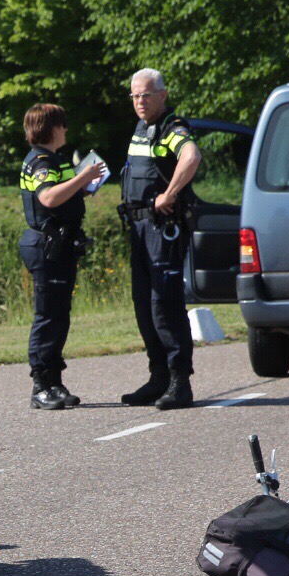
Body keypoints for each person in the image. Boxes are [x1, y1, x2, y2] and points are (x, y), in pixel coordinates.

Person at [119, 69, 201, 410]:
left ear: (163, 95)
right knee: (143, 305)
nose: (140, 101)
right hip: (139, 228)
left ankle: (180, 381)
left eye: (146, 95)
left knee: (164, 305)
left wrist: (170, 193)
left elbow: (191, 156)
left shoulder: (171, 128)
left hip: (161, 229)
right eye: (135, 96)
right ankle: (159, 378)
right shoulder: (141, 128)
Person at [18, 103, 105, 411]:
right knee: (47, 316)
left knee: (59, 316)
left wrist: (86, 185)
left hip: (61, 245)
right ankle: (40, 386)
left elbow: (63, 193)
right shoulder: (41, 161)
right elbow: (48, 196)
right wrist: (83, 178)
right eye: (62, 124)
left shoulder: (56, 159)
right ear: (51, 128)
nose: (66, 129)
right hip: (47, 246)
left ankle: (54, 382)